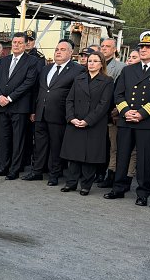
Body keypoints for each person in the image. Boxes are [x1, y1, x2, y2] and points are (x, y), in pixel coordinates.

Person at [104, 31, 150, 206]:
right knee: (122, 155)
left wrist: (142, 113)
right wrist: (126, 111)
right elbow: (118, 93)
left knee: (145, 160)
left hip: (148, 121)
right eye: (141, 46)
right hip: (127, 119)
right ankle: (118, 188)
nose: (143, 49)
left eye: (148, 47)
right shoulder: (129, 70)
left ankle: (143, 193)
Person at [23, 39, 85, 185]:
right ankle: (37, 171)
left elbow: (77, 95)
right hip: (41, 113)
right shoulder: (46, 68)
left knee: (56, 146)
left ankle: (54, 174)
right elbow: (38, 91)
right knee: (39, 145)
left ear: (71, 53)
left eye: (63, 49)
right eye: (57, 49)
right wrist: (33, 111)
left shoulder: (77, 70)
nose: (58, 51)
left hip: (59, 114)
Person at [60, 50, 114, 195]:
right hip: (75, 121)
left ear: (101, 64)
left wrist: (87, 121)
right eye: (90, 61)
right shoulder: (79, 78)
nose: (91, 63)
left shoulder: (107, 81)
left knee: (89, 157)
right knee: (74, 155)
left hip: (93, 123)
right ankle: (71, 183)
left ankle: (86, 185)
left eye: (95, 61)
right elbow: (69, 100)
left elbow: (104, 105)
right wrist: (71, 118)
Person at [0, 32, 39, 179]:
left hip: (19, 107)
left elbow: (28, 83)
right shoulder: (4, 61)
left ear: (25, 45)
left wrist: (9, 98)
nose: (16, 45)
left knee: (18, 140)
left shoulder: (32, 61)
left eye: (20, 43)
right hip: (2, 106)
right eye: (14, 42)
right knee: (3, 139)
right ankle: (2, 167)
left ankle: (14, 169)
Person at [98, 38, 130, 189]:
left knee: (112, 146)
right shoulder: (95, 64)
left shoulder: (121, 67)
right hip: (96, 113)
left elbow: (120, 92)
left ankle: (110, 175)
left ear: (114, 49)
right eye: (102, 46)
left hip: (111, 112)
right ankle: (97, 172)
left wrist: (116, 110)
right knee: (97, 144)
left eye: (107, 46)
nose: (104, 48)